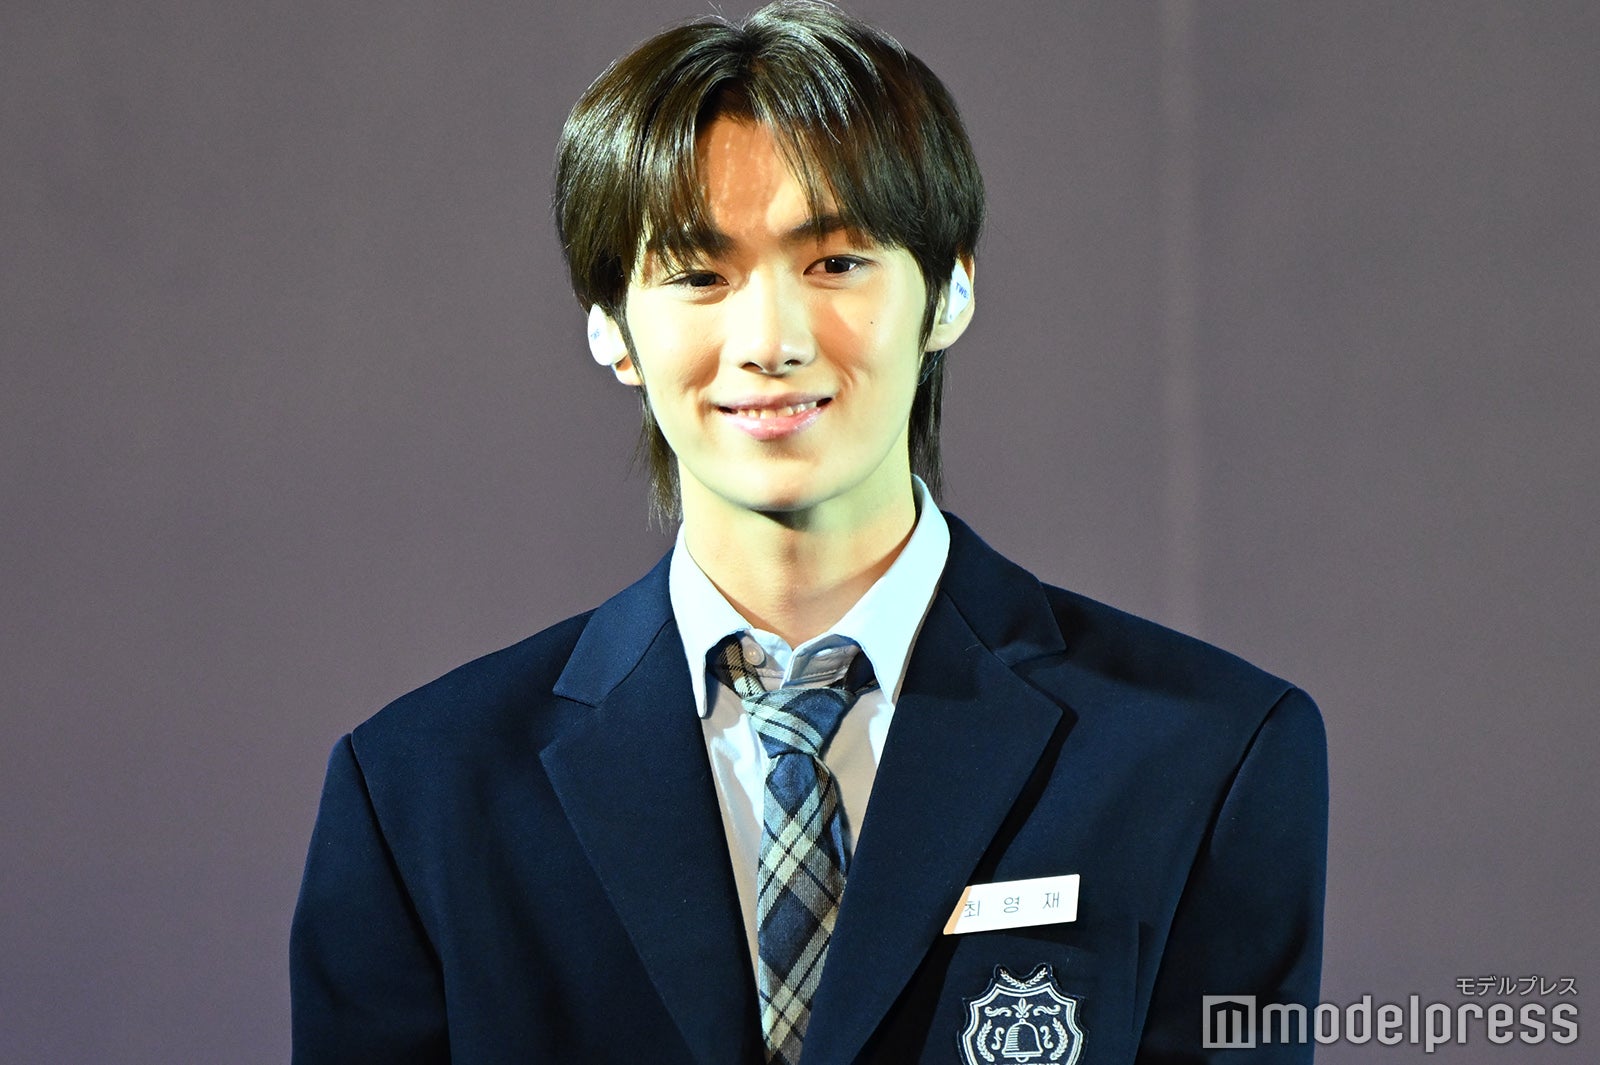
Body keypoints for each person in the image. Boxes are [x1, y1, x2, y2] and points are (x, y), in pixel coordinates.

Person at [290, 2, 1327, 1062]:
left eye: (834, 263)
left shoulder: (1203, 752)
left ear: (950, 293)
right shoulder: (420, 790)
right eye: (698, 276)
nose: (770, 341)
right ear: (611, 330)